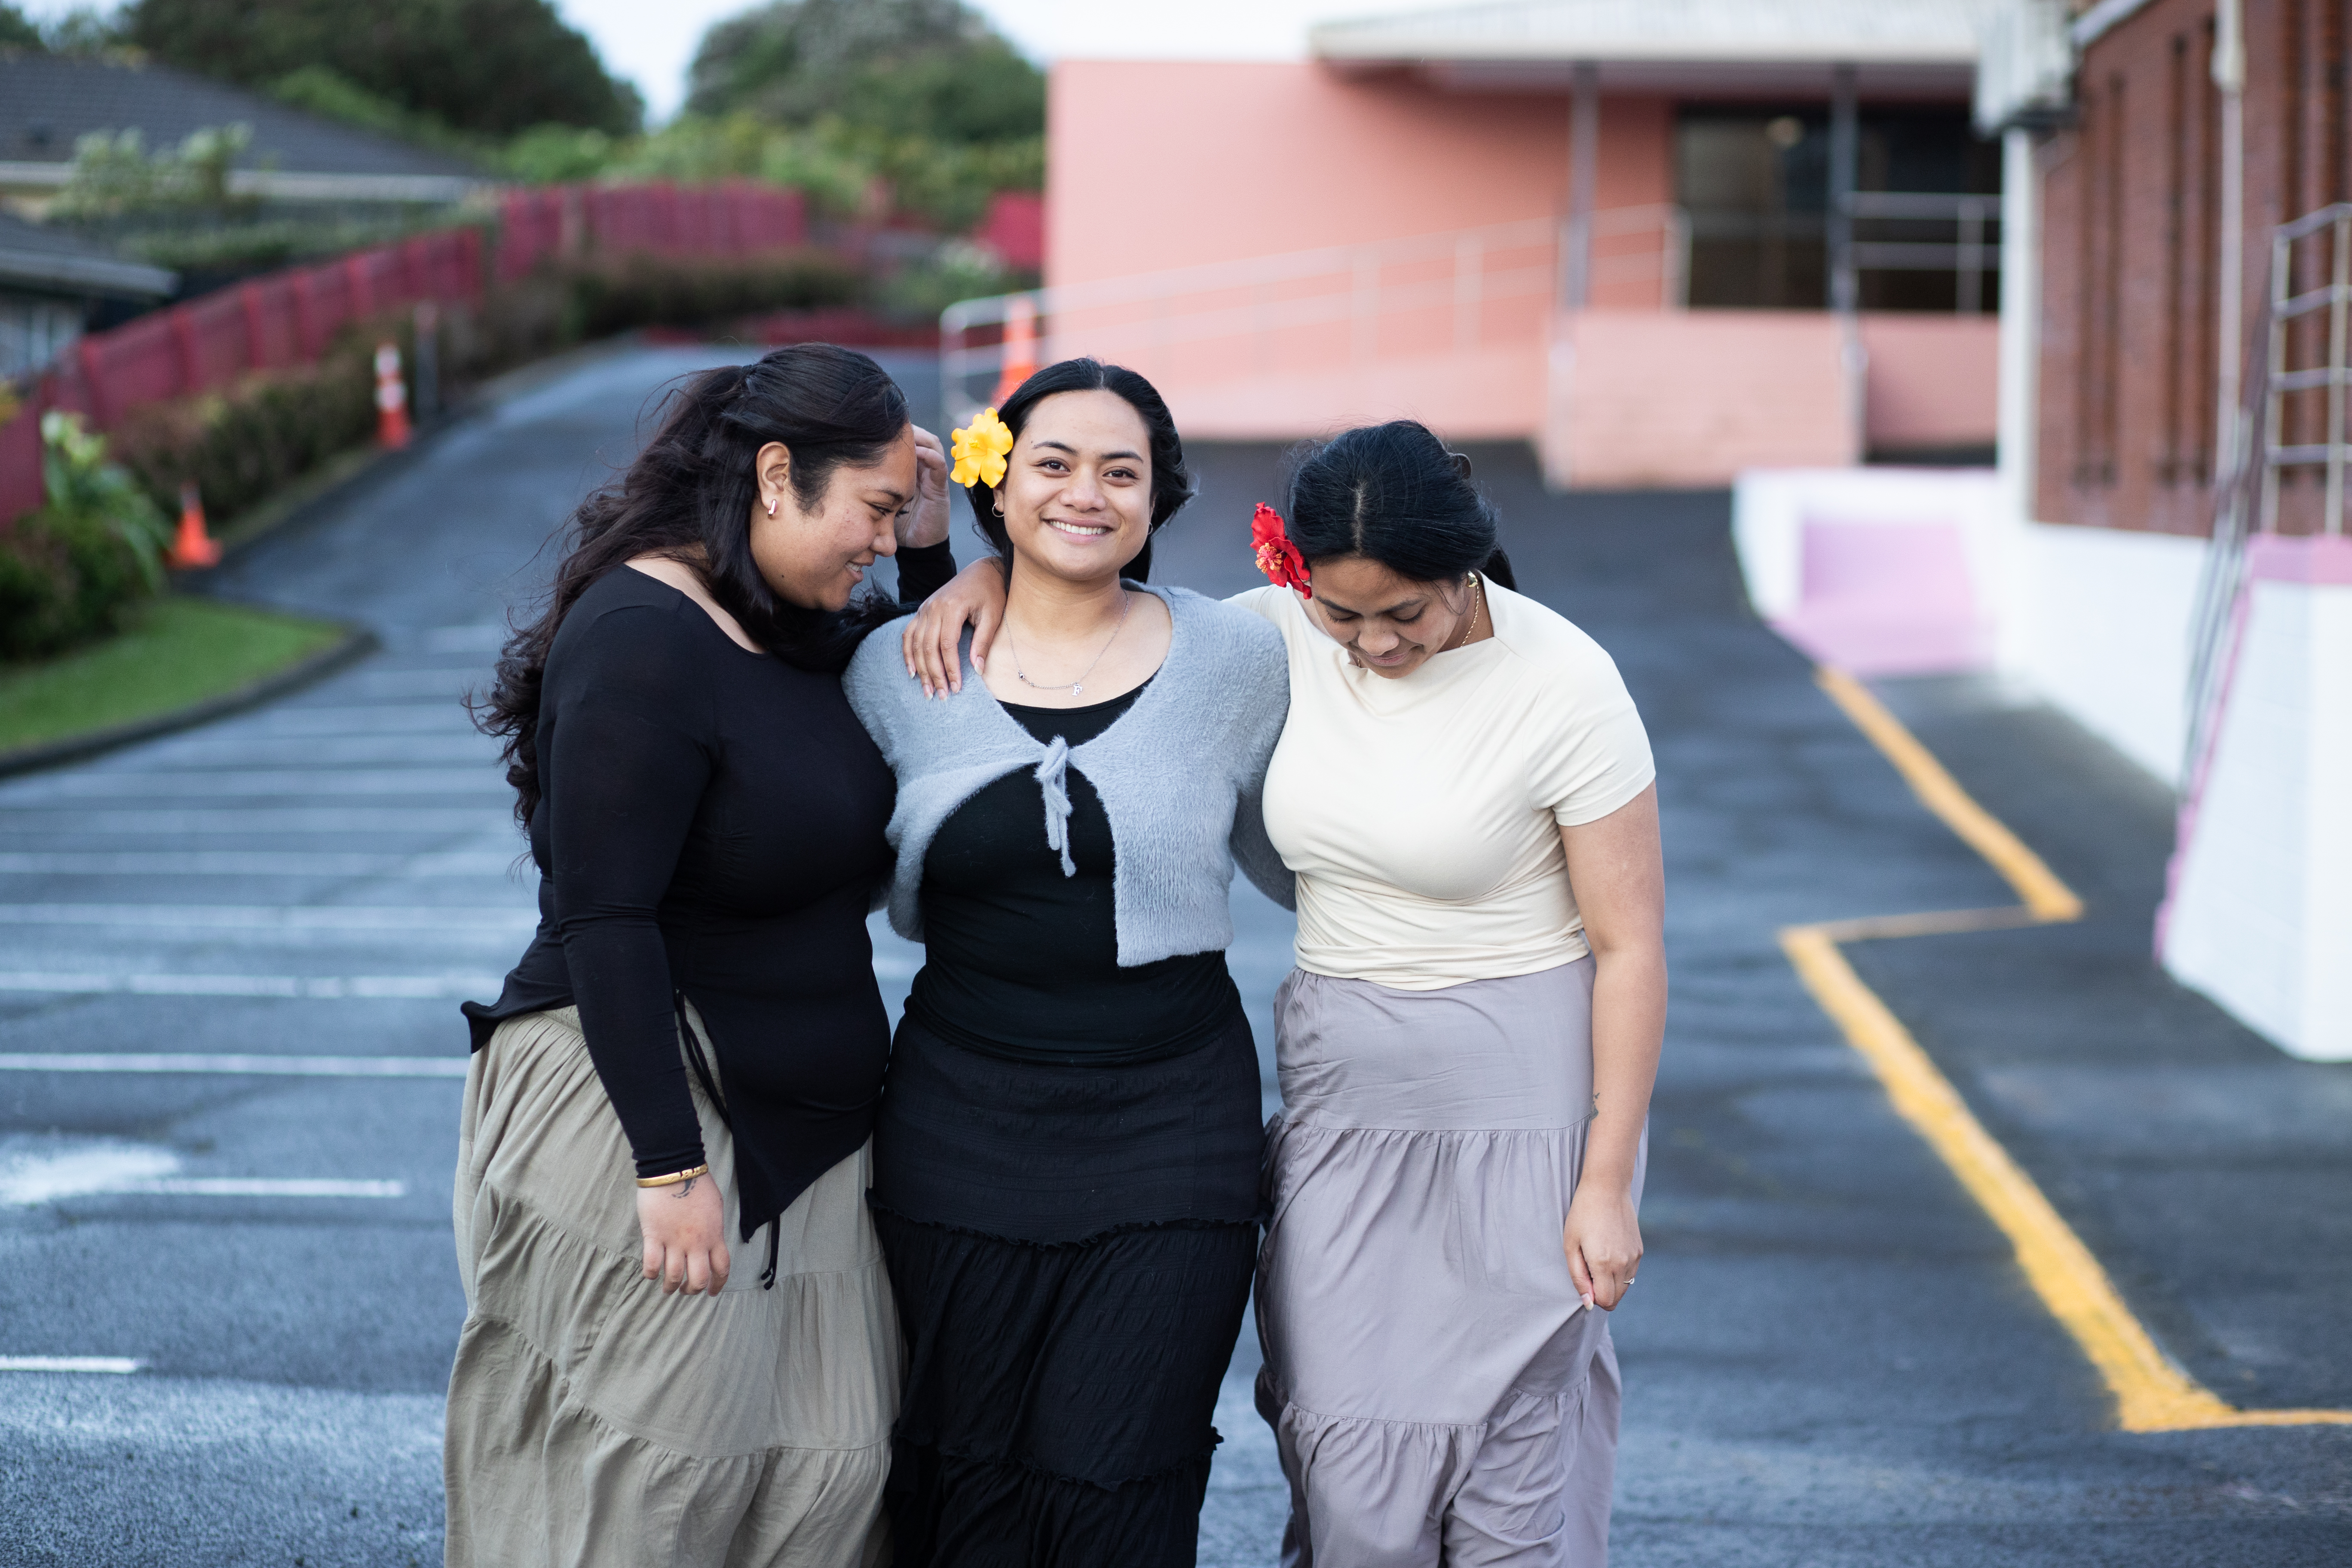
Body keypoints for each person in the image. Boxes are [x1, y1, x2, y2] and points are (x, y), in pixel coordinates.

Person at [902, 419, 1665, 1565]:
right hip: (1345, 1093)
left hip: (1528, 1101)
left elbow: (1633, 947)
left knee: (1514, 1468)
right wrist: (976, 574)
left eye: (1405, 614)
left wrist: (1605, 1183)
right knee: (1345, 1461)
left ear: (1464, 568)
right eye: (1341, 614)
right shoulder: (1263, 638)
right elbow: (1096, 624)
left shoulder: (1566, 683)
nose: (1372, 643)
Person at [449, 343, 958, 1568]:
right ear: (778, 477)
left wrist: (940, 551)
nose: (884, 544)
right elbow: (605, 915)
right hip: (655, 1103)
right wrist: (668, 1166)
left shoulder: (793, 623)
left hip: (815, 1120)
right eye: (877, 510)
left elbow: (938, 686)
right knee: (650, 1487)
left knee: (824, 1484)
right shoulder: (642, 635)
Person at [841, 357, 1292, 1564]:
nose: (1084, 493)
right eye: (1052, 463)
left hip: (1170, 1132)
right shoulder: (901, 671)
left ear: (1159, 498)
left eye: (1120, 471)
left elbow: (1390, 688)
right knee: (960, 1463)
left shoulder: (1240, 661)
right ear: (1000, 483)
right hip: (958, 1125)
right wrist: (948, 575)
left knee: (1118, 1470)